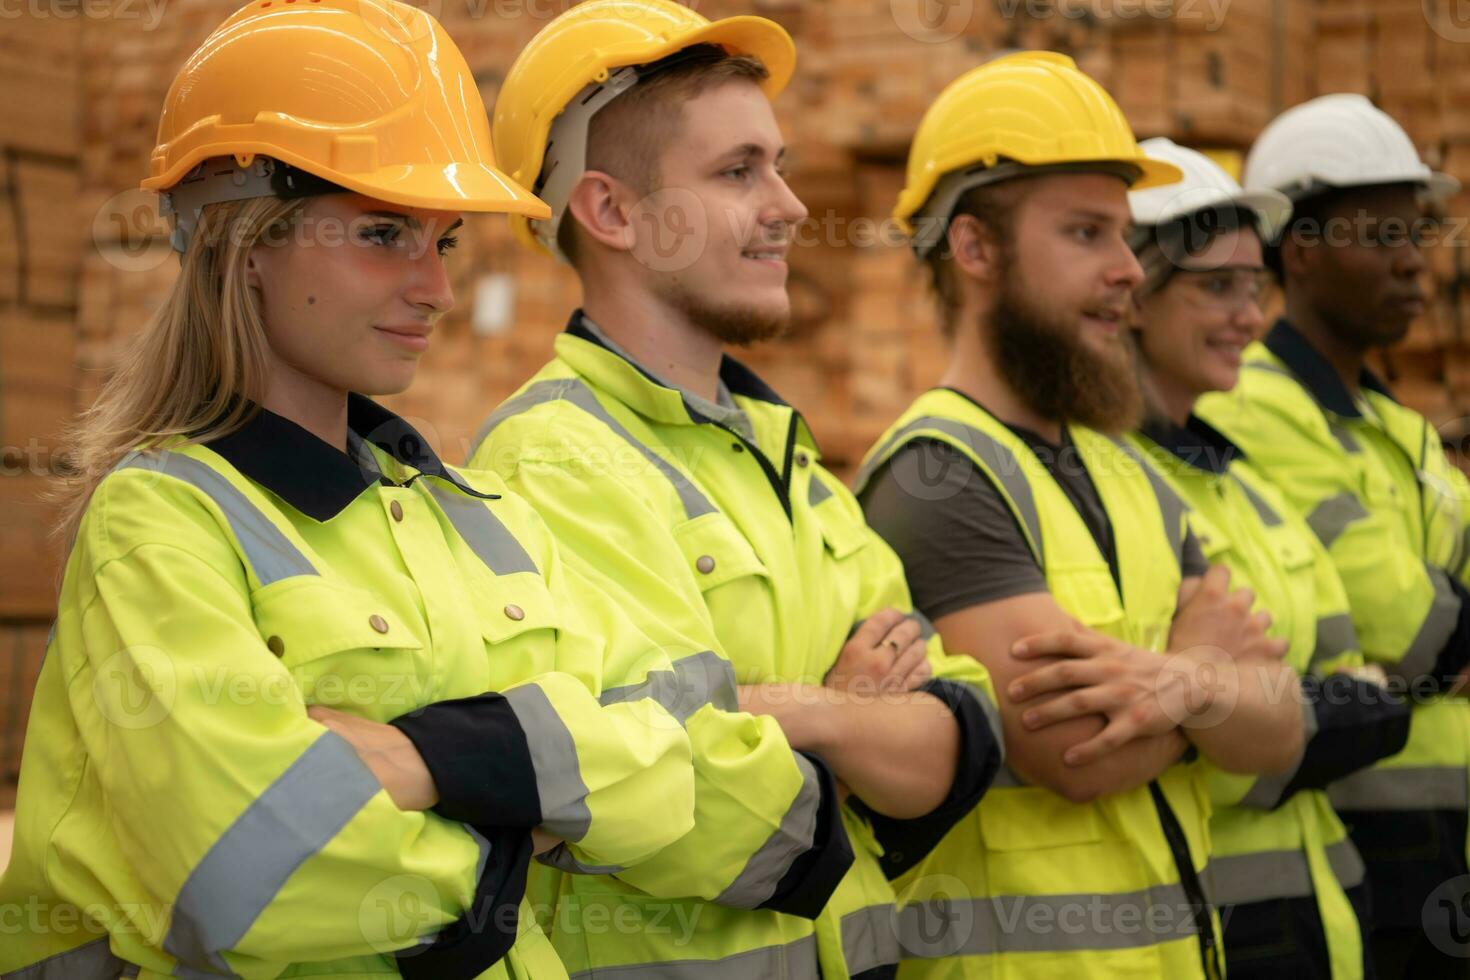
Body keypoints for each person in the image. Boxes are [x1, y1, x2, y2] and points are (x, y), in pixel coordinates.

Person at [0, 2, 700, 977]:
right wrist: (527, 823)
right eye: (383, 234)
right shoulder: (162, 522)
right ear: (247, 240)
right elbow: (255, 871)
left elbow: (668, 775)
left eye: (443, 240)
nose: (436, 288)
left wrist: (429, 762)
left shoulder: (468, 517)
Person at [470, 2, 1004, 976]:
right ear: (612, 211)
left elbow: (961, 737)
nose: (790, 205)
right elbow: (683, 803)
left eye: (781, 165)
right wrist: (859, 728)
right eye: (737, 171)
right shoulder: (552, 463)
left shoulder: (780, 451)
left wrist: (810, 715)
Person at [856, 52, 1305, 978]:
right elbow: (1075, 752)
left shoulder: (1125, 467)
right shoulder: (940, 476)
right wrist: (1208, 673)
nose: (1126, 274)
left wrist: (1185, 686)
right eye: (1087, 234)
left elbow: (1285, 727)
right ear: (976, 250)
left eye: (1125, 236)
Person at [1196, 94, 1470, 979]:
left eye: (1417, 238)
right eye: (1383, 238)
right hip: (1372, 830)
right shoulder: (1255, 405)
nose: (1415, 268)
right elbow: (1422, 630)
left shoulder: (1397, 425)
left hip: (1440, 836)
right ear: (1302, 254)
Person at [1127, 137, 1412, 979]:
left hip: (1325, 910)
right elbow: (1182, 737)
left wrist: (1301, 710)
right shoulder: (1115, 485)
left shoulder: (1238, 480)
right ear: (1133, 294)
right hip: (1217, 921)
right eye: (1217, 288)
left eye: (1255, 288)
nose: (1250, 318)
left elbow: (1373, 668)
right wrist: (1336, 709)